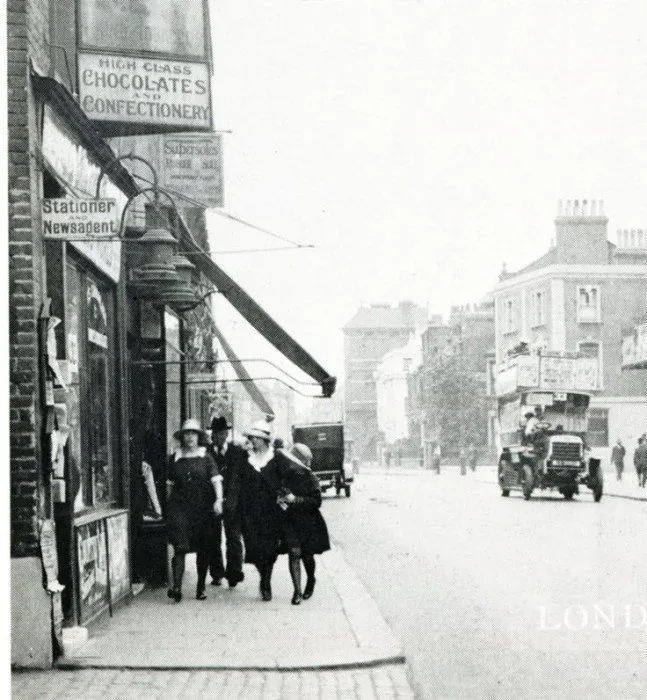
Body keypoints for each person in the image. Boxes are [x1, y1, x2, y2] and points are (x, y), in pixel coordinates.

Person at [166, 419, 222, 602]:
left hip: (202, 508)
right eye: (187, 434)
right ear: (182, 437)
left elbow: (216, 480)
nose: (190, 437)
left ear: (199, 437)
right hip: (179, 507)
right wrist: (167, 505)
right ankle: (176, 587)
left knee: (203, 548)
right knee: (180, 547)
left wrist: (218, 500)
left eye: (194, 434)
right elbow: (169, 485)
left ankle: (200, 587)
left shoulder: (206, 457)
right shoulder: (175, 457)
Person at [277, 443, 331, 605]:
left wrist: (296, 500)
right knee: (294, 552)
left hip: (308, 522)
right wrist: (281, 500)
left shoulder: (311, 479)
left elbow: (316, 501)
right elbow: (281, 492)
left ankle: (311, 580)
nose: (290, 463)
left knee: (307, 555)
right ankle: (297, 591)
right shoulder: (287, 476)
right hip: (290, 520)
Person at [238, 419, 285, 601]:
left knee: (270, 548)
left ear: (265, 440)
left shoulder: (276, 458)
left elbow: (285, 479)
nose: (253, 441)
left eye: (256, 438)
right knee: (254, 547)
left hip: (271, 510)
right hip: (249, 511)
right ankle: (262, 573)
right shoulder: (245, 459)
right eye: (252, 437)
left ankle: (266, 581)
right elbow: (239, 482)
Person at [208, 416, 247, 588]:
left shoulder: (237, 452)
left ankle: (233, 573)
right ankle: (216, 574)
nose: (216, 437)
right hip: (212, 502)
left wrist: (233, 499)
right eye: (214, 433)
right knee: (213, 539)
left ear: (226, 434)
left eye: (220, 433)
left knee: (233, 538)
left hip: (233, 503)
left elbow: (241, 479)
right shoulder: (207, 452)